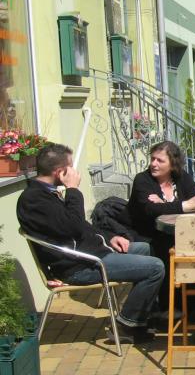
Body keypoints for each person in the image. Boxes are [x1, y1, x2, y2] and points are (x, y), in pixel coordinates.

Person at [17, 144, 165, 343]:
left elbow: (81, 227)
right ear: (60, 172)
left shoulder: (46, 193)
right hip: (80, 266)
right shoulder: (34, 200)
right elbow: (73, 226)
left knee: (145, 248)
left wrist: (110, 238)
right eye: (71, 167)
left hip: (92, 254)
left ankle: (143, 316)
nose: (74, 171)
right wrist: (73, 190)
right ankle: (126, 326)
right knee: (156, 267)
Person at [127, 141, 195, 310]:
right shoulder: (142, 180)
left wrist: (166, 205)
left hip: (179, 233)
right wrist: (184, 205)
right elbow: (150, 210)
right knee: (169, 248)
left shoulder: (182, 178)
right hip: (148, 235)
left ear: (173, 164)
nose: (154, 164)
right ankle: (170, 306)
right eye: (152, 159)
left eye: (160, 160)